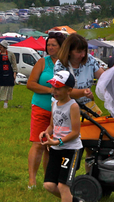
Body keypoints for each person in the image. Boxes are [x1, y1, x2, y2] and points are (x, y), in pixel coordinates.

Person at [26, 32, 65, 189]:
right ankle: (32, 181)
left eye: (53, 45)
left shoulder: (66, 63)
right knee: (38, 144)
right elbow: (31, 84)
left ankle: (48, 180)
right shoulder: (43, 62)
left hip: (60, 110)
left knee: (52, 146)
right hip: (41, 108)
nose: (49, 47)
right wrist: (50, 90)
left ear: (62, 47)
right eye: (48, 45)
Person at [40, 70, 83, 202]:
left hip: (71, 150)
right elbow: (52, 126)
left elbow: (75, 132)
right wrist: (46, 133)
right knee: (49, 185)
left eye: (58, 88)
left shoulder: (73, 106)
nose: (54, 91)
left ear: (69, 90)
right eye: (53, 87)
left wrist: (58, 142)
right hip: (56, 149)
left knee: (63, 185)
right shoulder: (54, 104)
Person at [54, 33, 104, 115]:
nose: (83, 55)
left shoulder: (90, 59)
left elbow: (103, 77)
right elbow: (63, 91)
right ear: (69, 51)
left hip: (87, 107)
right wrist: (83, 92)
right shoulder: (60, 65)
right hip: (66, 108)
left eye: (84, 51)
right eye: (79, 52)